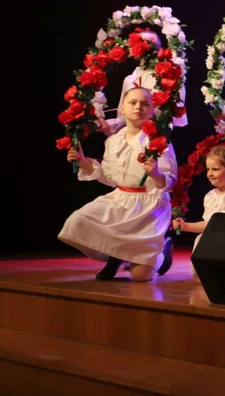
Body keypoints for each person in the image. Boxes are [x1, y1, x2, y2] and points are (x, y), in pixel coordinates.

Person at [59, 86, 177, 281]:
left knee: (140, 277)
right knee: (76, 223)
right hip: (120, 200)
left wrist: (156, 174)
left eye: (144, 104)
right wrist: (84, 163)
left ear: (152, 111)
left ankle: (161, 252)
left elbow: (170, 180)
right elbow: (110, 178)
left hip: (148, 206)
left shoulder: (157, 141)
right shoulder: (113, 141)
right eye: (132, 103)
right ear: (122, 108)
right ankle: (116, 255)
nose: (138, 107)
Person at [171, 145, 225, 282]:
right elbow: (209, 224)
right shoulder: (210, 196)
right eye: (208, 169)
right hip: (212, 239)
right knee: (201, 240)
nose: (209, 173)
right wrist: (187, 226)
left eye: (215, 169)